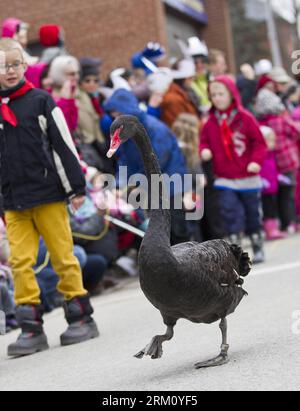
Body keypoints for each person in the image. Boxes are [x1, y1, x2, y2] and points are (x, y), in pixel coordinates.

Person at [0, 38, 99, 357]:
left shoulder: (41, 101)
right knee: (20, 262)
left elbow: (63, 144)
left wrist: (76, 187)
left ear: (25, 66)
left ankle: (80, 315)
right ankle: (31, 326)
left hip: (48, 194)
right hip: (13, 202)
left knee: (62, 256)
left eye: (15, 64)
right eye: (3, 66)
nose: (9, 70)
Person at [103, 88, 191, 245]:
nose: (115, 117)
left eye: (118, 113)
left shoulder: (154, 128)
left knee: (177, 230)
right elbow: (125, 160)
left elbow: (156, 161)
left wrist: (137, 184)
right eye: (113, 114)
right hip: (152, 188)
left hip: (171, 184)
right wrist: (119, 185)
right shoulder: (126, 132)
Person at [200, 75, 267, 264]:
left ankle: (257, 243)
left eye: (221, 94)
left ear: (232, 95)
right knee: (229, 212)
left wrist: (256, 161)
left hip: (248, 176)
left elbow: (259, 143)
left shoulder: (245, 118)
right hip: (225, 178)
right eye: (213, 95)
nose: (217, 98)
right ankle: (236, 251)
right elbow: (204, 140)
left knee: (252, 213)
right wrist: (204, 150)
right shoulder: (211, 122)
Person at [255, 88, 300, 233]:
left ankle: (280, 223)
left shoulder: (260, 123)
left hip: (271, 165)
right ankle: (291, 222)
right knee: (288, 195)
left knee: (277, 195)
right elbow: (295, 132)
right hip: (287, 162)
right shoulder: (281, 120)